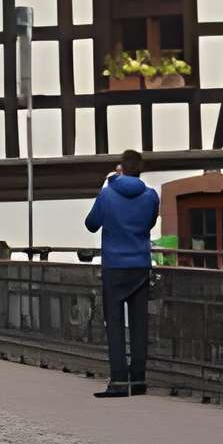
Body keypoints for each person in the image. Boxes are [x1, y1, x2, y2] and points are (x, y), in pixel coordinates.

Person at [84, 154, 160, 397]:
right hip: (140, 265)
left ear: (120, 169)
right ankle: (138, 381)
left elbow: (91, 224)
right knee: (139, 325)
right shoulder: (151, 196)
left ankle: (118, 382)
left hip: (114, 267)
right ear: (140, 170)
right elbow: (148, 225)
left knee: (115, 325)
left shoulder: (108, 194)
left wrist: (106, 187)